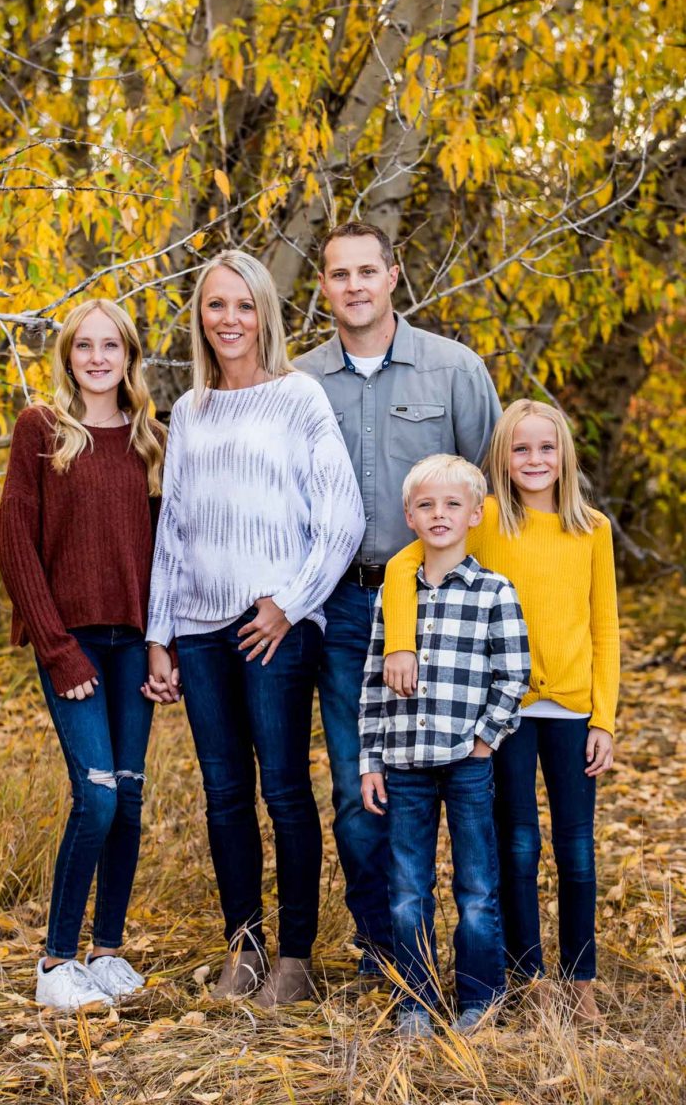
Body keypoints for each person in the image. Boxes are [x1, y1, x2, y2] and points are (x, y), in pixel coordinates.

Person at [144, 250, 365, 1007]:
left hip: (273, 624)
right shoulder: (189, 411)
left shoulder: (298, 397)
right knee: (224, 793)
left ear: (264, 313)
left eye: (243, 305)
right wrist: (158, 634)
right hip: (201, 632)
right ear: (200, 317)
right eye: (215, 306)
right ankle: (244, 948)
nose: (229, 319)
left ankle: (295, 961)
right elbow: (171, 528)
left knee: (284, 789)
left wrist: (290, 603)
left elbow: (343, 515)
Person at [294, 222, 502, 973]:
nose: (353, 286)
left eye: (366, 271)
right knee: (361, 791)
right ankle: (386, 948)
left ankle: (484, 950)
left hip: (447, 606)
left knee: (467, 782)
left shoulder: (454, 371)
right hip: (348, 610)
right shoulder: (300, 382)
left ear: (393, 275)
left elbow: (494, 489)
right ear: (322, 285)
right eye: (338, 274)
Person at [381, 400, 620, 1021]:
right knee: (515, 842)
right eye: (520, 449)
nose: (534, 460)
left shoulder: (591, 528)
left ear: (564, 453)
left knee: (576, 847)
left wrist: (604, 718)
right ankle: (527, 969)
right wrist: (400, 642)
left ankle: (580, 976)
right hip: (504, 710)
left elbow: (605, 627)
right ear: (502, 459)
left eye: (546, 448)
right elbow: (405, 563)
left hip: (571, 709)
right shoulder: (484, 523)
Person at [0, 299, 165, 1010]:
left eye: (111, 346)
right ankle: (55, 962)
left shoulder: (152, 438)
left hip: (134, 645)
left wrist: (165, 646)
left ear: (129, 355)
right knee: (94, 797)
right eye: (84, 347)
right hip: (72, 644)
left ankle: (107, 952)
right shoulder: (42, 430)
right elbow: (14, 547)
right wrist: (57, 650)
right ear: (68, 357)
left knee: (127, 797)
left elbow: (171, 552)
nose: (98, 358)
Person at [360, 454, 529, 1037]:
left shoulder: (494, 592)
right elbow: (372, 683)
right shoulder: (394, 596)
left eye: (452, 504)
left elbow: (513, 676)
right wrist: (370, 760)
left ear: (475, 514)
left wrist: (485, 740)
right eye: (426, 505)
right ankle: (416, 1001)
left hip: (466, 764)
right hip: (404, 764)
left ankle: (481, 996)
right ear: (409, 516)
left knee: (476, 885)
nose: (439, 514)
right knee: (407, 889)